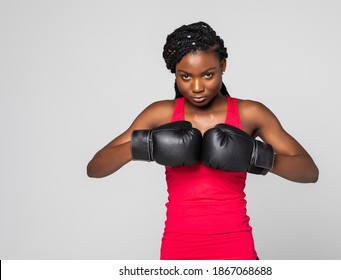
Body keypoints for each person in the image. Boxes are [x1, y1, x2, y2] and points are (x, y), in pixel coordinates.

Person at [87, 21, 319, 260]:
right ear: (175, 73)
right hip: (178, 249)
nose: (197, 87)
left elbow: (309, 172)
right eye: (185, 76)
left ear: (223, 66)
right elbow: (95, 168)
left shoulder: (250, 113)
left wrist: (255, 157)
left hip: (236, 248)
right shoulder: (161, 114)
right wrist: (146, 145)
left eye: (208, 75)